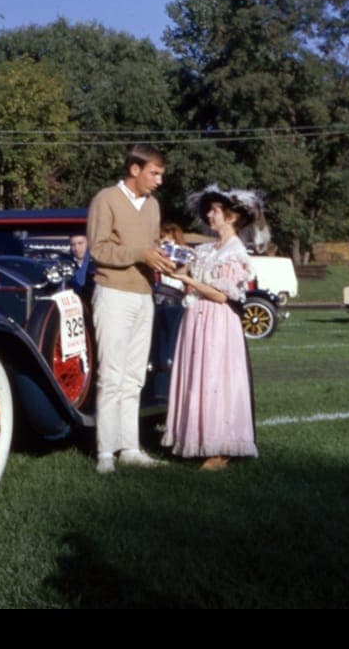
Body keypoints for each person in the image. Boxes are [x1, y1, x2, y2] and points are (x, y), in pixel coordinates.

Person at [162, 183, 269, 471]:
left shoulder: (235, 252)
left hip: (218, 321)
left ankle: (221, 447)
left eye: (216, 211)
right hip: (197, 318)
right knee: (197, 376)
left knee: (216, 379)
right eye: (209, 211)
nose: (210, 216)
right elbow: (190, 277)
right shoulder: (206, 249)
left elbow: (223, 295)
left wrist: (190, 282)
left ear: (232, 217)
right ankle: (197, 439)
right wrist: (178, 269)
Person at [86, 143, 176, 473]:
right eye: (154, 173)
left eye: (161, 174)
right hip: (112, 294)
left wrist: (163, 257)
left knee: (135, 377)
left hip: (143, 295)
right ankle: (105, 454)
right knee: (111, 376)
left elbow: (148, 249)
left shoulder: (153, 206)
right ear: (134, 170)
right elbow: (98, 249)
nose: (159, 180)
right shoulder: (106, 199)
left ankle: (130, 448)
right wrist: (141, 254)